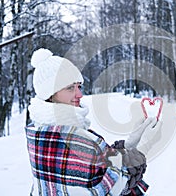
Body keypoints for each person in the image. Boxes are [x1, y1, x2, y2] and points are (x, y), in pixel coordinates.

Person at [25, 48, 162, 196]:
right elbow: (116, 185)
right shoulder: (74, 138)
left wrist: (130, 144)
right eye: (70, 88)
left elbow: (102, 164)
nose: (79, 94)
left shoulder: (36, 131)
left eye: (79, 86)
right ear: (49, 95)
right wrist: (143, 149)